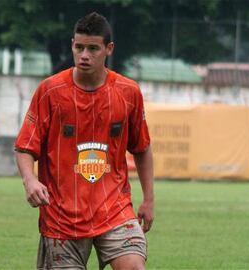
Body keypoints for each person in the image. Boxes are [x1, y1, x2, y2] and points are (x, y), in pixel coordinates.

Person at [15, 12, 154, 270]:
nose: (84, 55)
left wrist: (149, 198)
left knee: (134, 266)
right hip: (61, 216)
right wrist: (29, 179)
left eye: (93, 48)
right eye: (79, 47)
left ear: (108, 49)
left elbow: (142, 148)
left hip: (114, 209)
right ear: (72, 45)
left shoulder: (128, 92)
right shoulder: (50, 91)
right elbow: (25, 146)